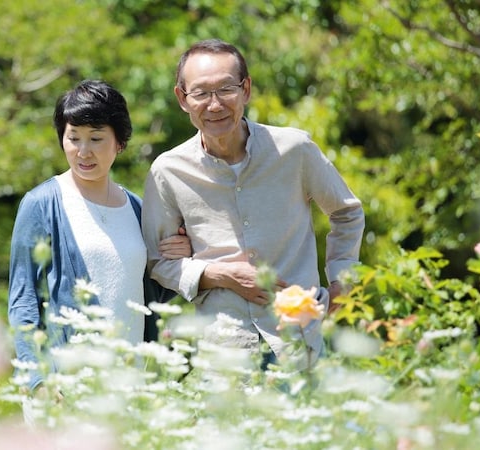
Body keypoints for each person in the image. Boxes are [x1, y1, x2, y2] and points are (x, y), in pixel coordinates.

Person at [141, 39, 365, 368]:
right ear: (182, 99)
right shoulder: (168, 171)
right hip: (224, 350)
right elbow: (158, 262)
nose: (214, 105)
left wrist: (342, 284)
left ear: (246, 89)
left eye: (225, 89)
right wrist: (219, 274)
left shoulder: (294, 149)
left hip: (299, 339)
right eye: (201, 93)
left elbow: (347, 212)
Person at [8, 80, 191, 395]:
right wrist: (38, 381)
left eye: (95, 138)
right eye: (73, 138)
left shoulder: (137, 208)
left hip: (130, 384)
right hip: (65, 386)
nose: (83, 151)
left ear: (119, 142)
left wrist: (178, 256)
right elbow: (23, 299)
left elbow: (147, 295)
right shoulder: (42, 204)